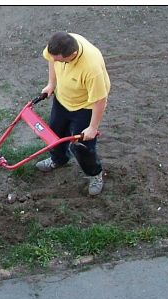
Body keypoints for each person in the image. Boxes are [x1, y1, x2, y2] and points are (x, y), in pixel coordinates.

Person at [35, 32, 111, 196]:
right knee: (54, 134)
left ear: (73, 55)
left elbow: (100, 100)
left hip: (84, 107)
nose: (55, 61)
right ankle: (58, 159)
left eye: (60, 59)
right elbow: (51, 59)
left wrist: (92, 127)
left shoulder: (91, 67)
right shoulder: (58, 45)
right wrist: (51, 84)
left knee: (82, 147)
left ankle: (94, 174)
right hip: (62, 100)